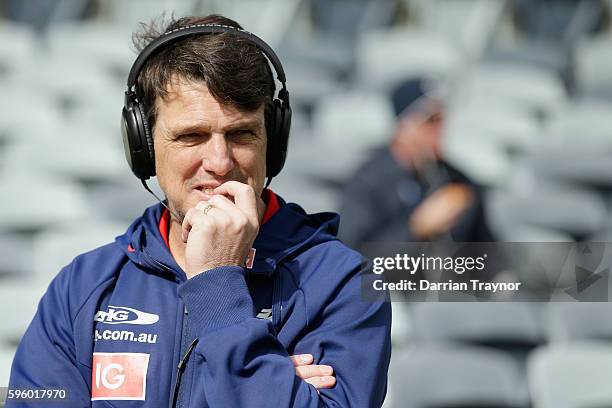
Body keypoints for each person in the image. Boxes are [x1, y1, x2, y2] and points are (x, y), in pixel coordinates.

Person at [7, 15, 391, 407]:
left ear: (271, 143)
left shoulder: (344, 283)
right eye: (192, 136)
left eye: (242, 134)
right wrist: (270, 385)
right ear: (144, 146)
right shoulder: (81, 286)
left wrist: (217, 282)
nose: (220, 162)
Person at [339, 78, 495, 251]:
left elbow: (487, 249)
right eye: (430, 121)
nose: (440, 130)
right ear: (403, 126)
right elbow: (353, 258)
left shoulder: (457, 181)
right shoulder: (368, 183)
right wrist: (416, 227)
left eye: (442, 119)